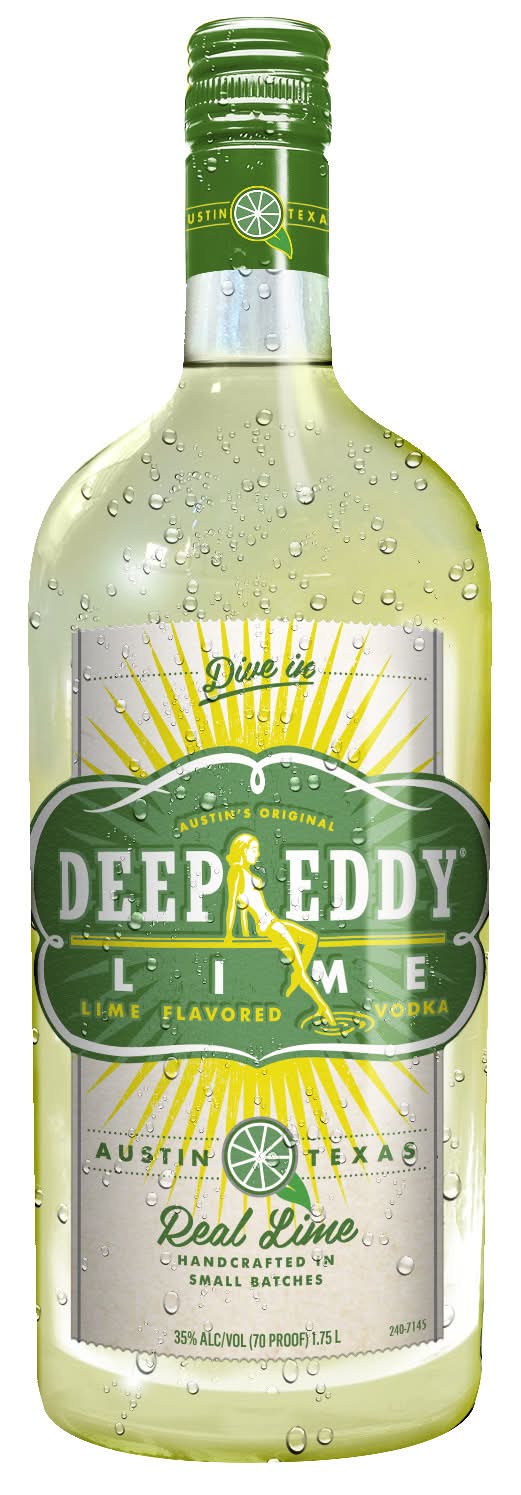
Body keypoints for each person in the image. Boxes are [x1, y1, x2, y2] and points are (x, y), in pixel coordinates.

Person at [224, 832, 334, 1025]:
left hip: (274, 921)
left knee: (311, 939)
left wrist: (245, 930)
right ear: (243, 851)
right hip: (268, 926)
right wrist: (228, 935)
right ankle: (321, 1006)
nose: (258, 854)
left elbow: (245, 906)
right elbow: (233, 905)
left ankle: (296, 978)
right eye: (254, 850)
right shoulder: (236, 872)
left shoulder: (246, 873)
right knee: (298, 963)